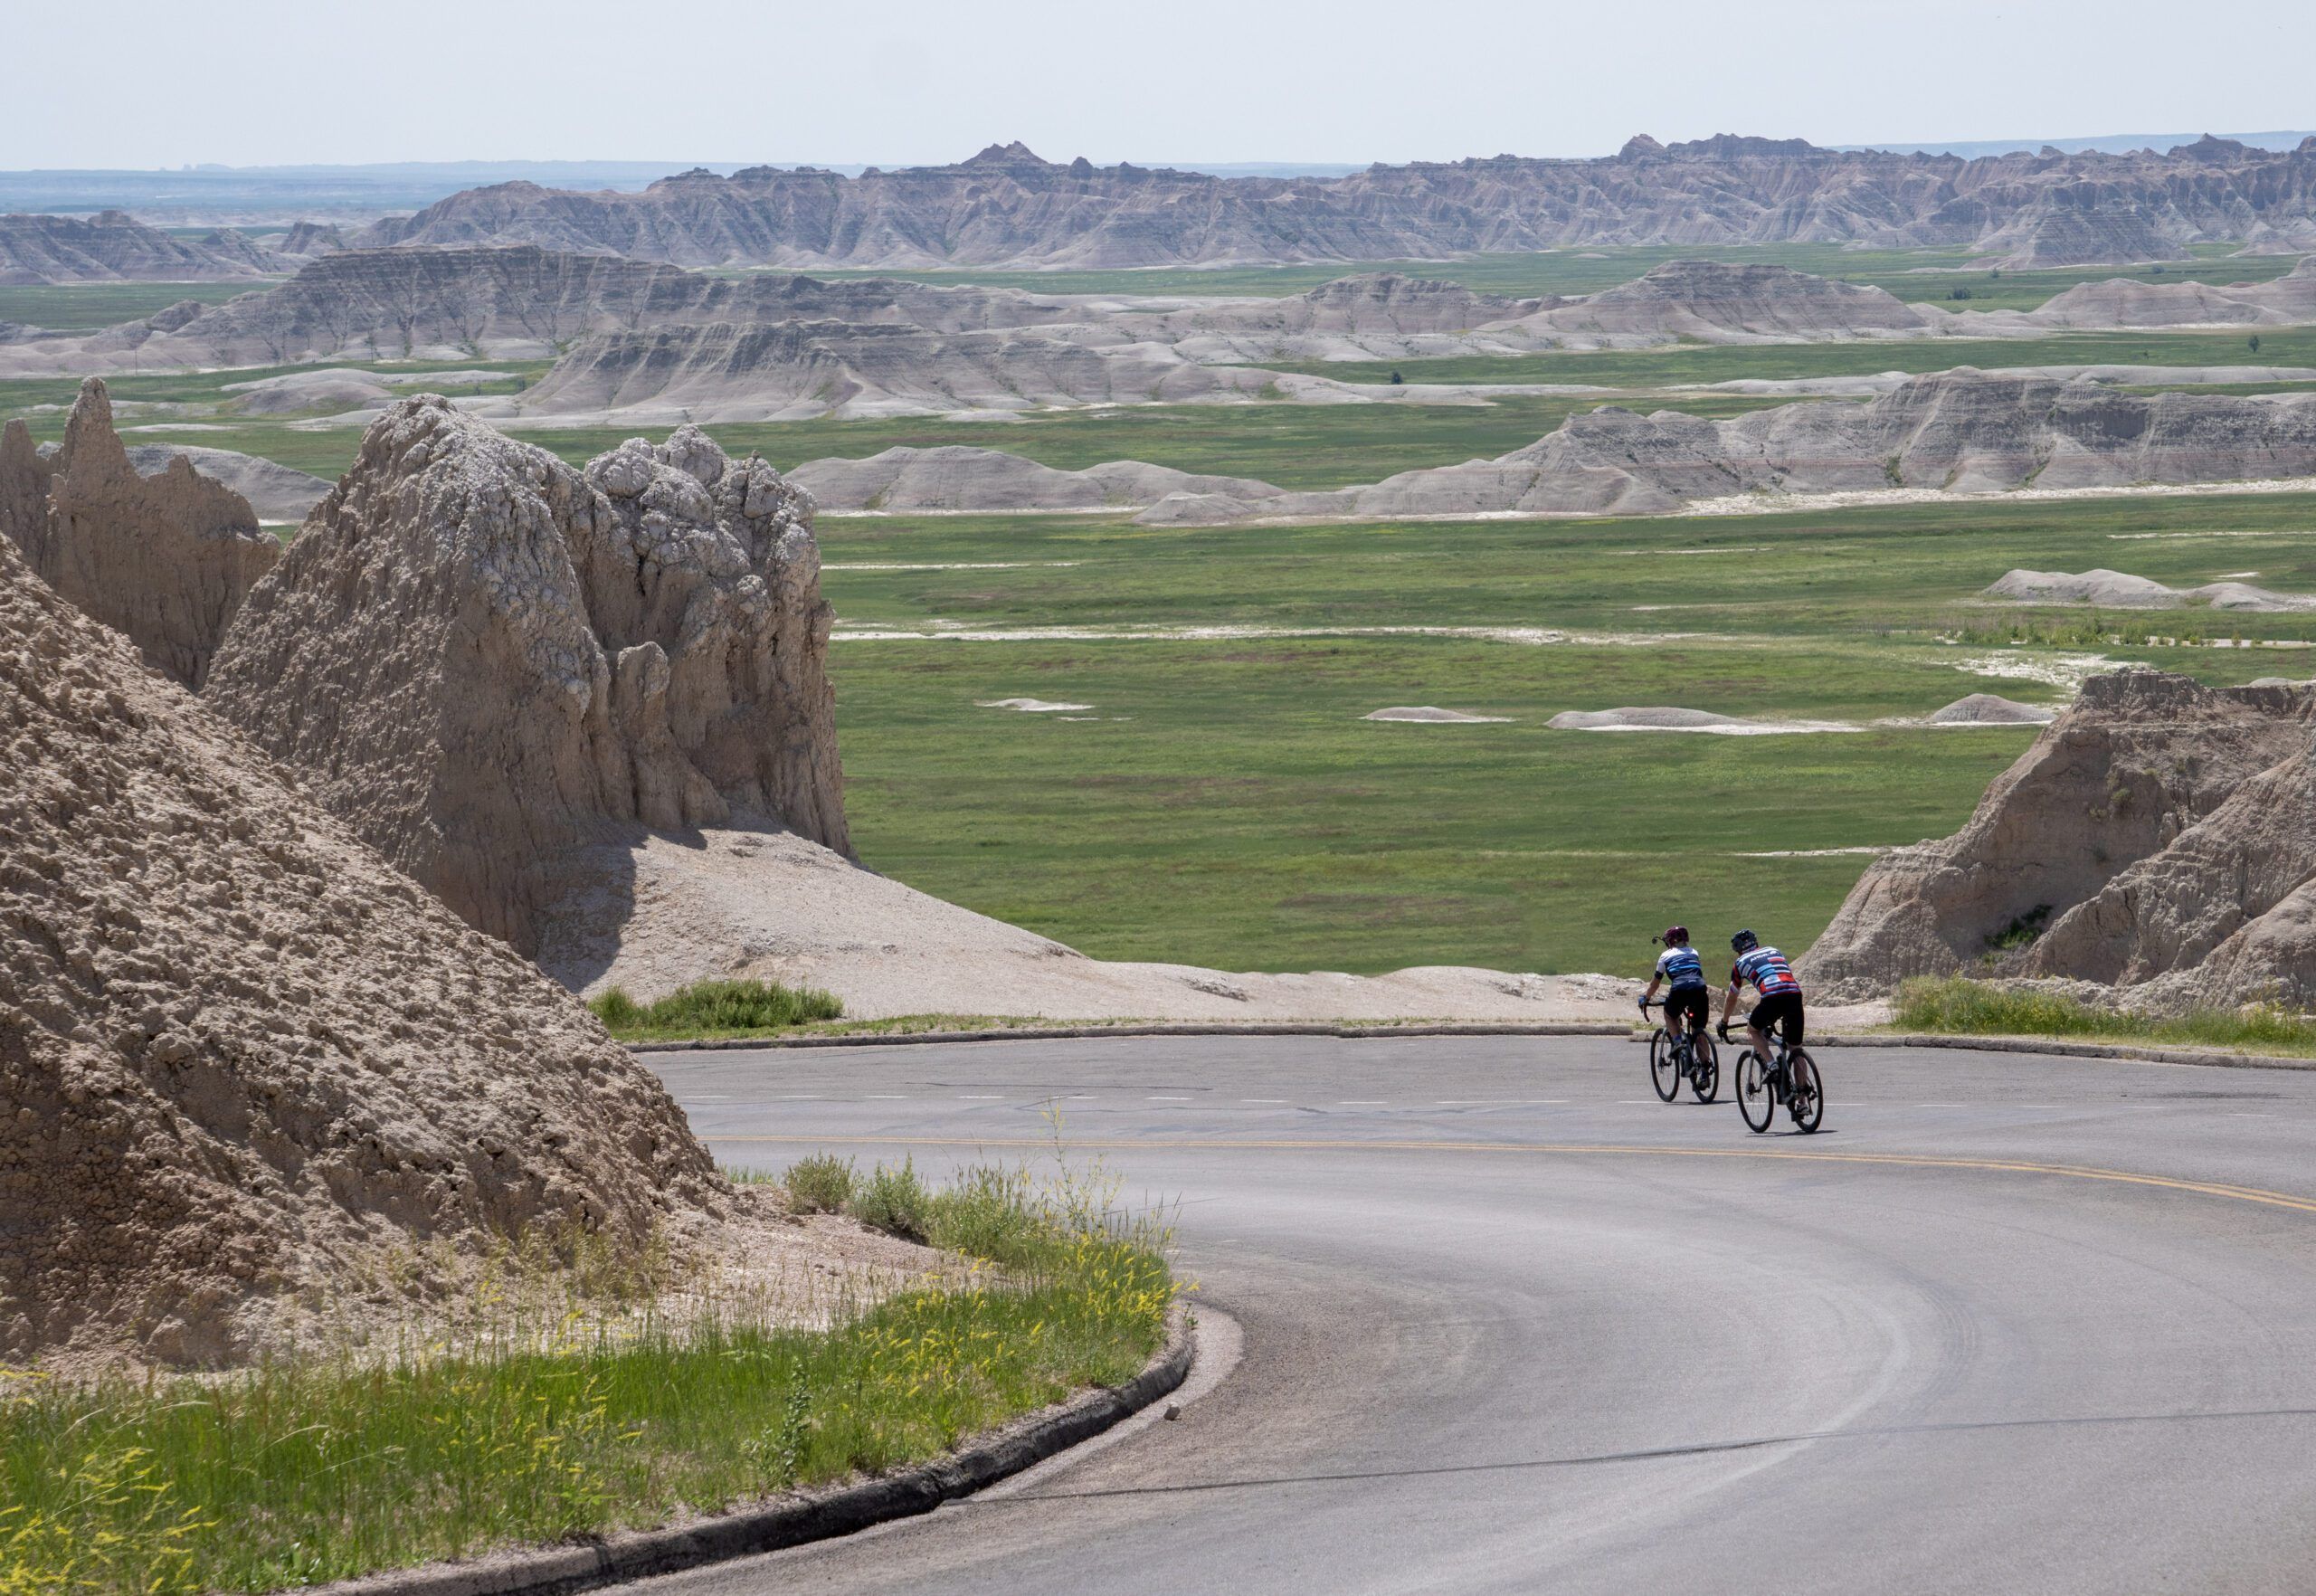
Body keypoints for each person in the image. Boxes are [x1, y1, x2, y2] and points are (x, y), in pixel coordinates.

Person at [1717, 928, 1804, 1061]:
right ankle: (1802, 1083)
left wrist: (1724, 1022)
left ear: (1738, 950)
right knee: (1795, 1048)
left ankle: (1771, 1065)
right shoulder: (1774, 950)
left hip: (1772, 997)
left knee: (1753, 1030)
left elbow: (1732, 997)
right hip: (1794, 994)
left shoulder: (1740, 963)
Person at [1639, 925, 1711, 1050]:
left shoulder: (1665, 956)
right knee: (1699, 1032)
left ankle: (1678, 1042)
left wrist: (1646, 997)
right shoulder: (1694, 952)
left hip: (1679, 989)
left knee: (1670, 1015)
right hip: (1699, 987)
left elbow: (1655, 984)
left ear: (1669, 941)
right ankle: (1705, 1067)